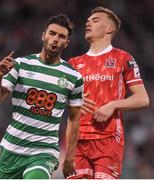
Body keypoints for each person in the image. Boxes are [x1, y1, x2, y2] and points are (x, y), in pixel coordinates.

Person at [0, 14, 83, 179]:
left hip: (44, 152)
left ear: (66, 43)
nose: (55, 39)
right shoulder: (21, 65)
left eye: (61, 36)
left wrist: (69, 156)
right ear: (43, 35)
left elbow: (75, 119)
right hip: (12, 148)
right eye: (52, 33)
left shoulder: (74, 77)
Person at [67, 6, 150, 179]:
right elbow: (60, 102)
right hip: (78, 140)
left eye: (95, 20)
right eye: (88, 21)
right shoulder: (73, 63)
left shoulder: (123, 58)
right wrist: (72, 98)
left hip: (108, 138)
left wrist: (113, 105)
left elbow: (142, 99)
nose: (88, 23)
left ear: (110, 28)